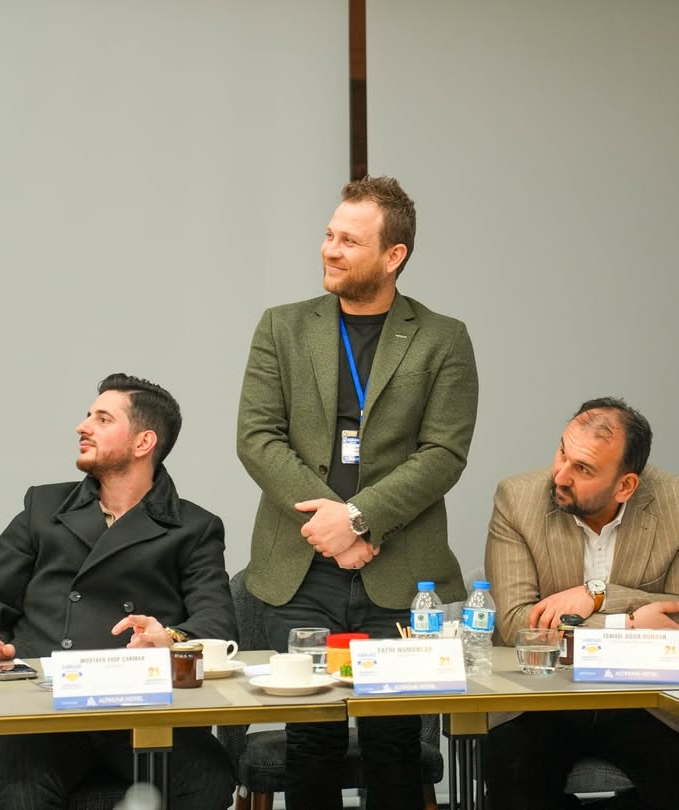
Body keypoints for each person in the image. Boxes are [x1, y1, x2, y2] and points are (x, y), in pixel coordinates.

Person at [237, 175, 479, 810]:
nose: (330, 249)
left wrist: (359, 519)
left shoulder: (442, 338)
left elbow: (444, 454)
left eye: (349, 240)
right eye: (329, 235)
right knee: (311, 742)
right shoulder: (283, 327)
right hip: (301, 566)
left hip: (398, 569)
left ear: (393, 255)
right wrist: (333, 526)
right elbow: (257, 438)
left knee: (394, 747)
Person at [0, 373, 235, 810]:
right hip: (46, 710)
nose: (81, 427)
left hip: (143, 709)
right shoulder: (43, 508)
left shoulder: (194, 528)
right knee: (21, 791)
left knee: (209, 779)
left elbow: (218, 625)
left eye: (102, 419)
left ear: (143, 443)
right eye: (88, 416)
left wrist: (171, 638)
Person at [483, 397, 679, 809]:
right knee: (514, 777)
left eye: (583, 469)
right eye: (562, 452)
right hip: (543, 694)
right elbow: (518, 623)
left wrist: (598, 594)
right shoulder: (516, 500)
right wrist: (627, 625)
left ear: (625, 485)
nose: (560, 475)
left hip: (644, 697)